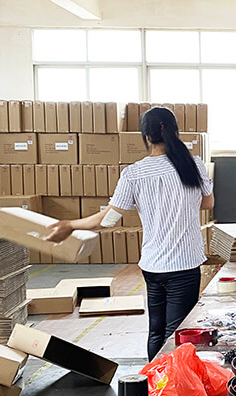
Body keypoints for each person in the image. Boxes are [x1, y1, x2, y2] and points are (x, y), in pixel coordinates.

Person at [46, 107, 214, 360]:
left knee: (156, 331)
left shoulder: (134, 173)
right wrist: (182, 204)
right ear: (175, 132)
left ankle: (152, 380)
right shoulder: (194, 165)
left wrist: (71, 225)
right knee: (176, 333)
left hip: (153, 265)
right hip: (185, 265)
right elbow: (208, 203)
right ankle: (171, 383)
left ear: (146, 137)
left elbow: (109, 219)